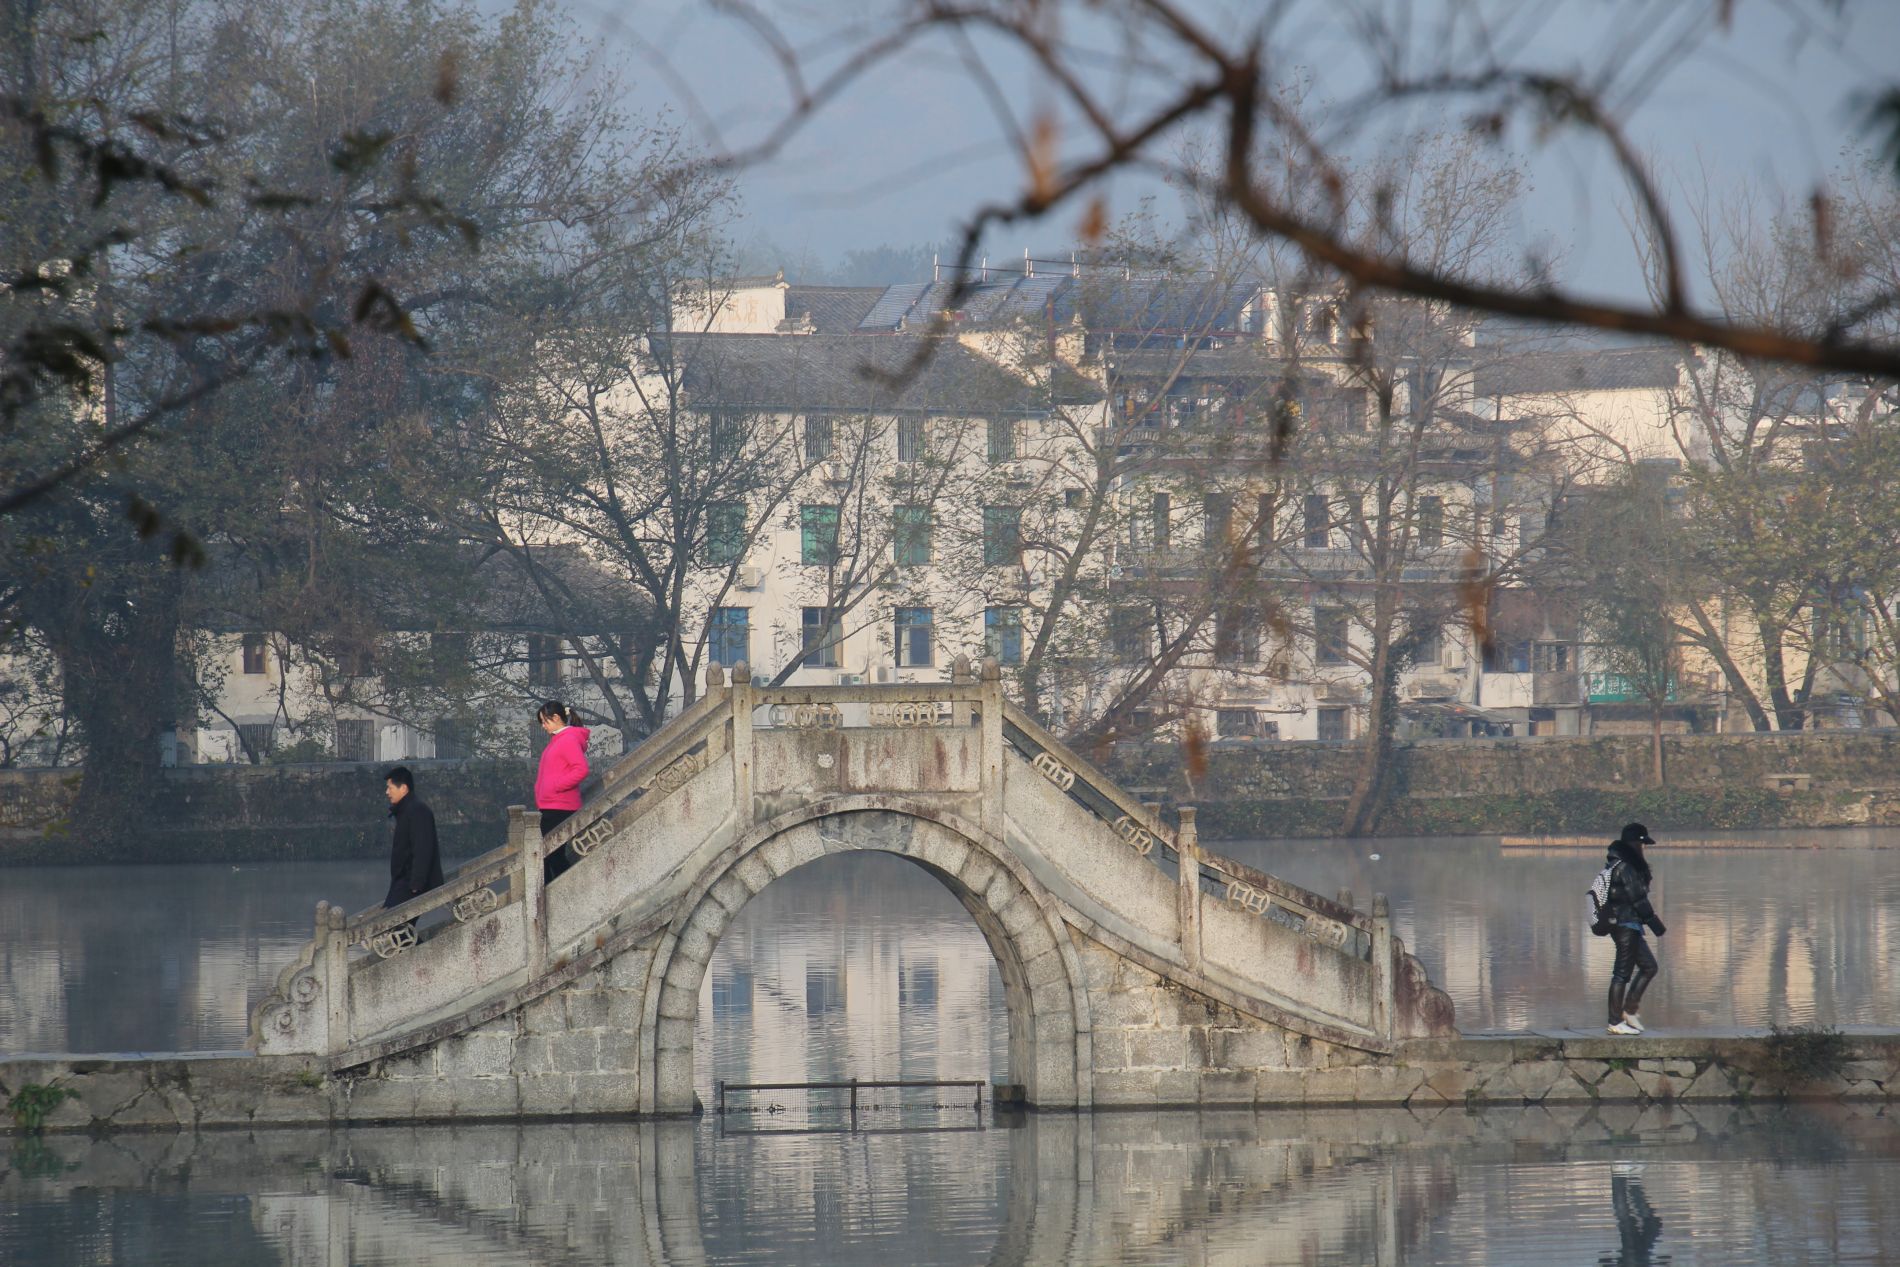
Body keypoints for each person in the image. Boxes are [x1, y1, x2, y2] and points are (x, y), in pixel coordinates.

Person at [1604, 822, 1666, 1035]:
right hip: (1625, 925)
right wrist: (1655, 923)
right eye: (1643, 844)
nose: (1644, 849)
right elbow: (1637, 898)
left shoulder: (1618, 864)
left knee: (1649, 967)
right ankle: (1614, 1021)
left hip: (1630, 924)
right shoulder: (1625, 867)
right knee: (1621, 974)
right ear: (1635, 844)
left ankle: (1629, 1011)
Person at [534, 700, 591, 884]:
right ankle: (557, 892)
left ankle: (567, 889)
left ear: (556, 717)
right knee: (549, 855)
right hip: (552, 805)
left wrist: (557, 786)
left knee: (552, 855)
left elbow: (581, 769)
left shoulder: (568, 739)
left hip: (560, 806)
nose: (543, 726)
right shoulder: (559, 739)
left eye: (545, 721)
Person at [383, 766, 445, 928]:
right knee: (394, 931)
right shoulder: (405, 811)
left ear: (403, 788)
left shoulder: (418, 811)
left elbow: (423, 848)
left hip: (412, 884)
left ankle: (427, 954)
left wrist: (417, 883)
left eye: (389, 788)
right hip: (403, 882)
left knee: (395, 929)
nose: (387, 792)